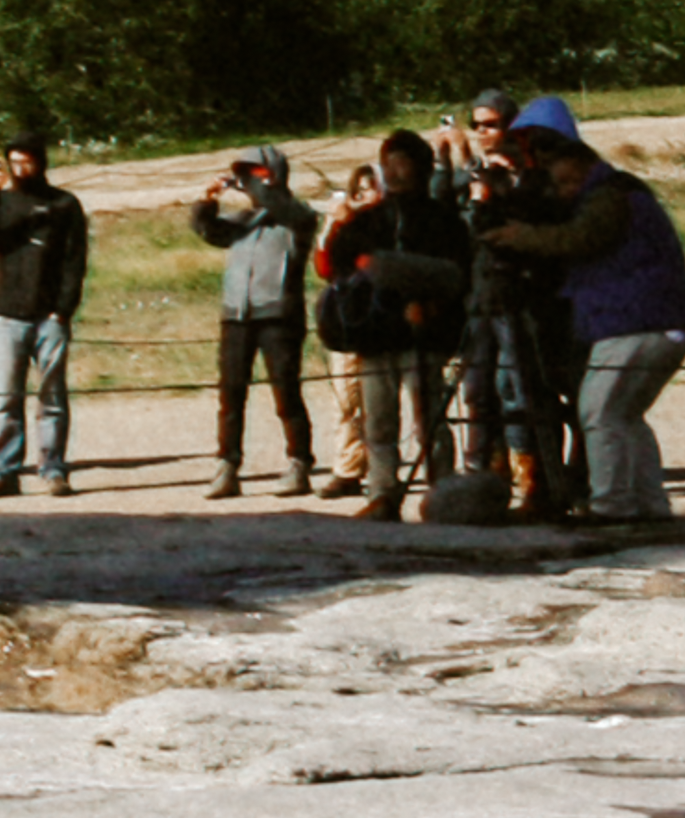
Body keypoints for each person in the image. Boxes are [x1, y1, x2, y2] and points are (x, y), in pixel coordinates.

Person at [479, 104, 685, 527]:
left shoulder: (610, 196)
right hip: (651, 319)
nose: (562, 192)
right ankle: (649, 505)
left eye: (568, 182)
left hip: (639, 320)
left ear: (585, 168)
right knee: (625, 415)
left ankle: (612, 506)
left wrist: (520, 236)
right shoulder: (614, 191)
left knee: (599, 412)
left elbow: (580, 238)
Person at [313, 129, 473, 519]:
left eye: (402, 161)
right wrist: (340, 228)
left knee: (430, 419)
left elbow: (459, 274)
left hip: (424, 332)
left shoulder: (441, 219)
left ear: (419, 167)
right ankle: (382, 494)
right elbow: (336, 267)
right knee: (379, 422)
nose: (394, 170)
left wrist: (434, 305)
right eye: (388, 162)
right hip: (377, 332)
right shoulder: (368, 220)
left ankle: (442, 493)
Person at [456, 95, 582, 516]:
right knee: (479, 390)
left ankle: (539, 482)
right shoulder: (484, 174)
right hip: (485, 294)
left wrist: (487, 199)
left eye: (490, 124)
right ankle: (490, 481)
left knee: (523, 389)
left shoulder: (541, 180)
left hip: (531, 300)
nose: (482, 134)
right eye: (477, 126)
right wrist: (459, 171)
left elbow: (507, 229)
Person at [0, 135, 89, 500]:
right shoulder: (1, 201)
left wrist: (63, 310)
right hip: (5, 314)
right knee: (5, 398)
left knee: (52, 398)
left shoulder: (65, 204)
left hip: (49, 316)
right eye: (14, 162)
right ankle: (2, 473)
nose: (21, 169)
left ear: (42, 162)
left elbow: (75, 262)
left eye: (27, 161)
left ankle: (53, 470)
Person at [193, 147, 322, 497]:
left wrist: (265, 187)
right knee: (231, 396)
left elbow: (286, 208)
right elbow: (209, 231)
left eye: (256, 174)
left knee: (286, 392)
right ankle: (227, 464)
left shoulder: (299, 217)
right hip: (236, 316)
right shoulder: (242, 222)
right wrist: (207, 202)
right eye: (246, 175)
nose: (250, 184)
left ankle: (299, 462)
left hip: (279, 315)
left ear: (275, 176)